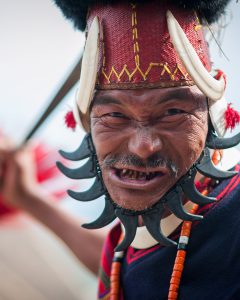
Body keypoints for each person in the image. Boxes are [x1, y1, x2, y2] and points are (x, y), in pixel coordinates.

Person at [1, 0, 240, 299]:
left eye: (172, 112)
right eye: (115, 115)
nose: (142, 147)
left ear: (212, 112)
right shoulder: (125, 250)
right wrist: (27, 198)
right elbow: (132, 270)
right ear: (87, 122)